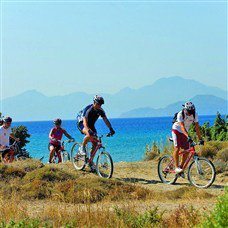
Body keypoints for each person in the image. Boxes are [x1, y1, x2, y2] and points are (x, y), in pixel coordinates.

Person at [77, 95, 115, 171]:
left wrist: (111, 129)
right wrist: (88, 130)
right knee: (89, 134)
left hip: (91, 125)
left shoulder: (101, 110)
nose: (99, 106)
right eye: (98, 104)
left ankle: (90, 161)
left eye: (101, 104)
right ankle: (82, 148)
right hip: (82, 123)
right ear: (94, 102)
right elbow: (84, 122)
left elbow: (105, 120)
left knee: (95, 143)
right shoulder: (88, 109)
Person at [172, 102, 204, 174]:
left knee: (187, 150)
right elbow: (182, 127)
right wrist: (188, 136)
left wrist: (200, 139)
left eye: (192, 112)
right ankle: (176, 167)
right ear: (185, 110)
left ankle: (181, 168)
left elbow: (197, 128)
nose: (190, 113)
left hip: (185, 132)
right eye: (189, 112)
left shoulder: (195, 115)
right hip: (176, 130)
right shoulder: (180, 114)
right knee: (177, 148)